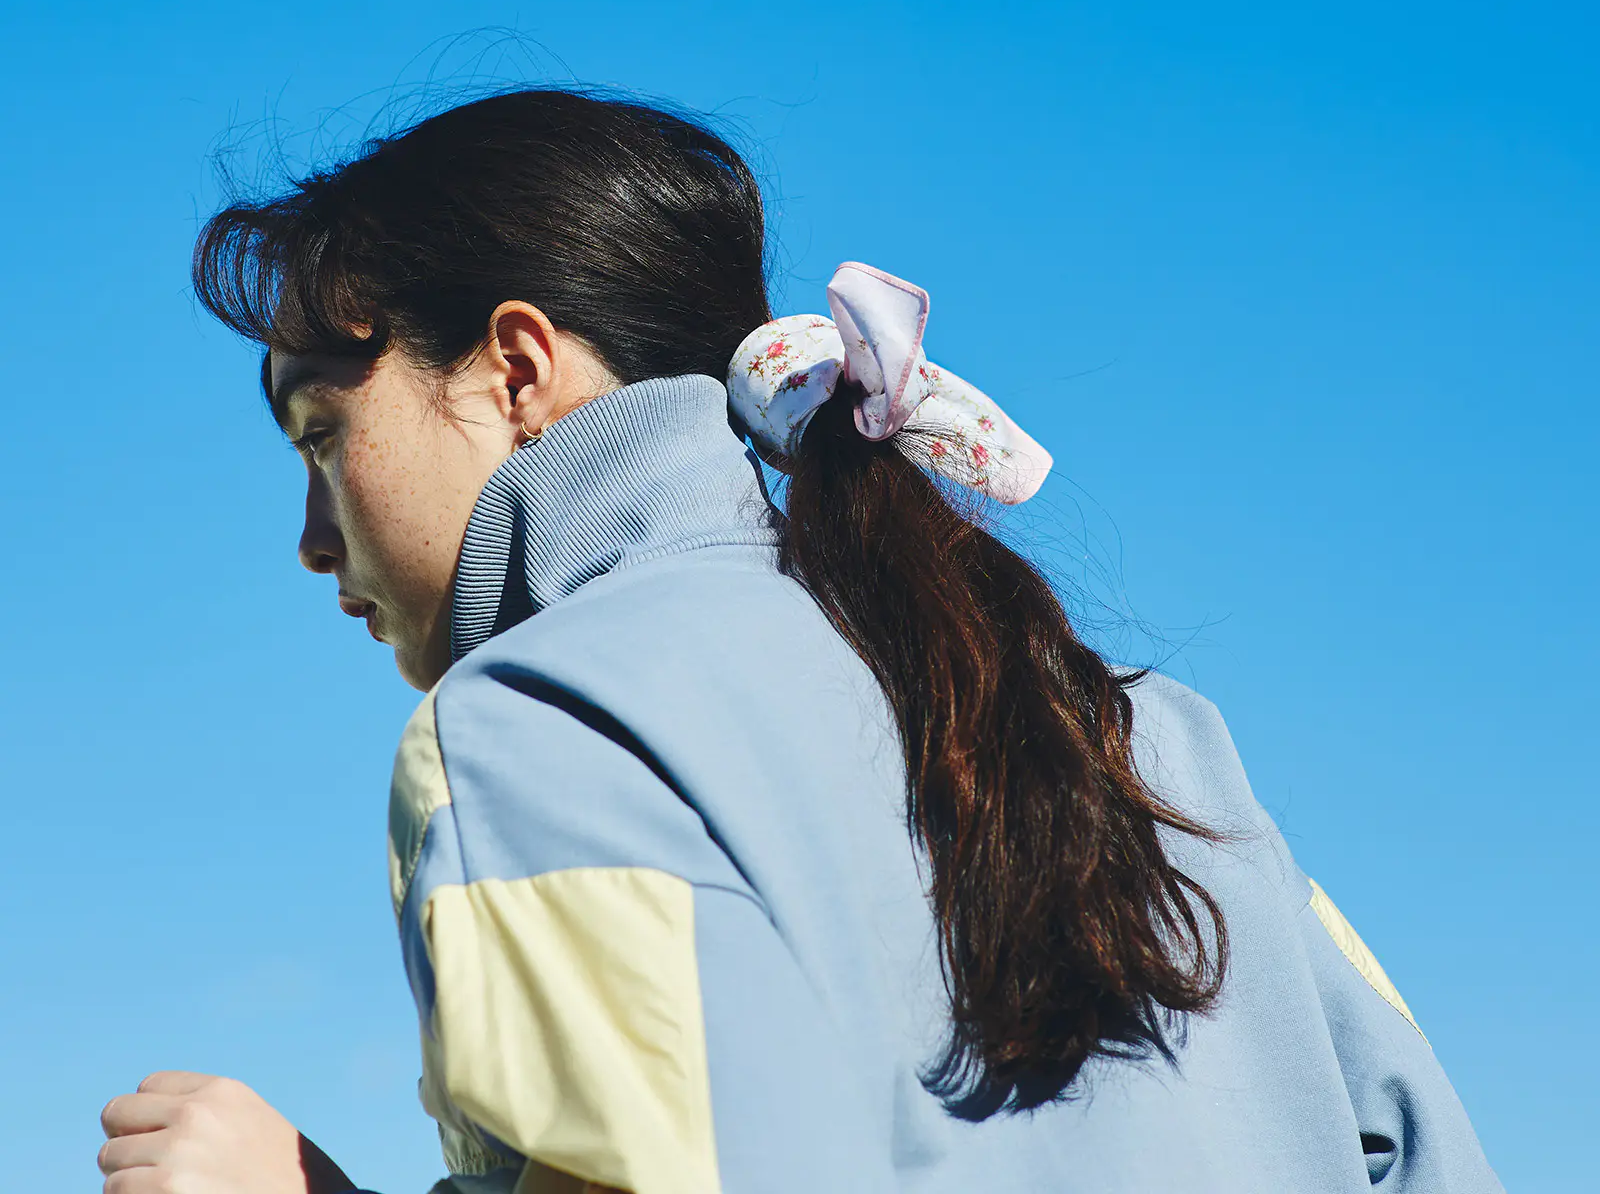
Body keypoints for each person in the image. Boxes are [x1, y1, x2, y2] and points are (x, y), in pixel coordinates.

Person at [98, 89, 1502, 1194]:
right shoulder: (1142, 731)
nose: (312, 534)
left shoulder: (540, 725)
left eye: (322, 432)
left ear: (516, 370)